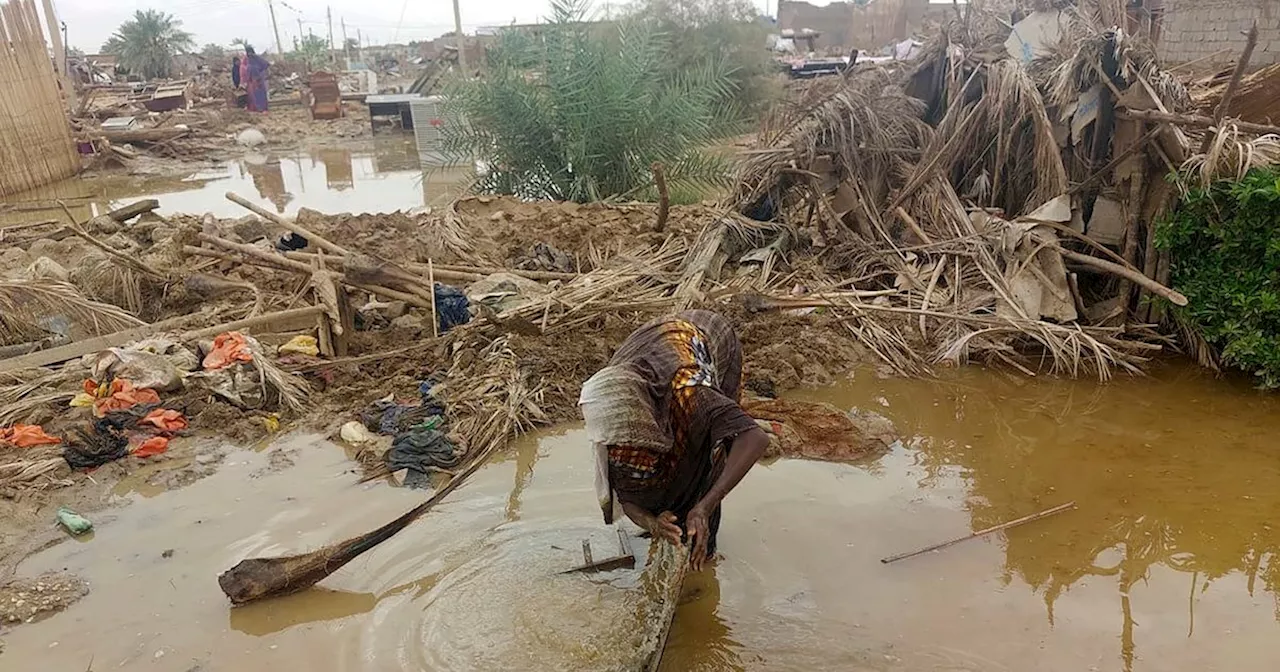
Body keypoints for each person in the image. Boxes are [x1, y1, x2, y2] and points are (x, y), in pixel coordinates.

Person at [580, 310, 768, 571]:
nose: (624, 450)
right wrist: (652, 523)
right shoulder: (612, 420)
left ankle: (703, 542)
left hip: (708, 338)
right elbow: (628, 497)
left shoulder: (691, 392)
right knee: (650, 470)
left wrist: (705, 506)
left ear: (644, 420)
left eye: (631, 442)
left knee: (709, 451)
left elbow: (754, 437)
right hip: (649, 347)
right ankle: (678, 523)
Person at [241, 46, 270, 113]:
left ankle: (263, 109)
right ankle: (258, 108)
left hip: (258, 79)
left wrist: (261, 73)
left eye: (250, 52)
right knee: (255, 95)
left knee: (261, 94)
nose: (249, 54)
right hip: (252, 80)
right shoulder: (248, 59)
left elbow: (266, 64)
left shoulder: (256, 58)